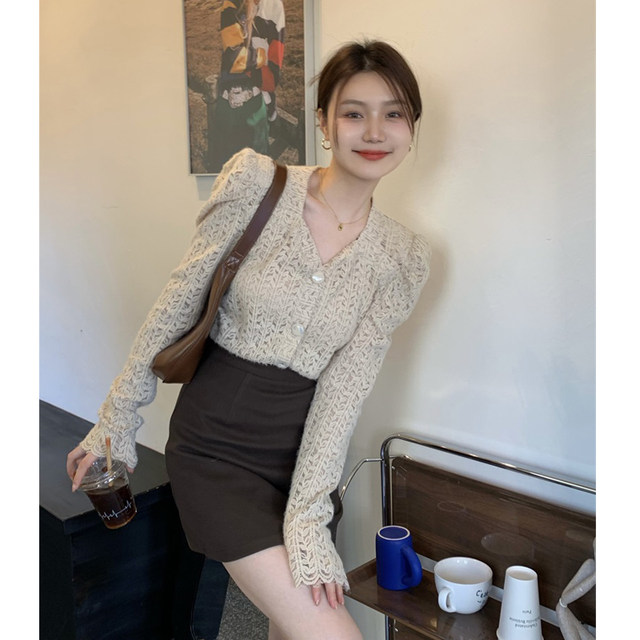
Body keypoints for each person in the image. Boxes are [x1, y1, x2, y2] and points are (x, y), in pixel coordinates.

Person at [67, 40, 430, 640]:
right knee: (330, 630)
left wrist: (308, 515)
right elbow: (178, 301)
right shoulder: (258, 184)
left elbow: (344, 390)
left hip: (302, 461)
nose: (374, 131)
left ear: (411, 128)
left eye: (393, 113)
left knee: (290, 624)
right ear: (323, 122)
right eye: (353, 112)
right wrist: (117, 419)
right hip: (215, 446)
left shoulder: (402, 258)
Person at [207, 0, 286, 172]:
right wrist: (261, 57)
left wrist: (251, 64)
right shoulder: (231, 4)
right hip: (229, 105)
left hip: (256, 106)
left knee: (258, 174)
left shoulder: (274, 5)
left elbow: (273, 73)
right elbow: (234, 57)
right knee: (225, 173)